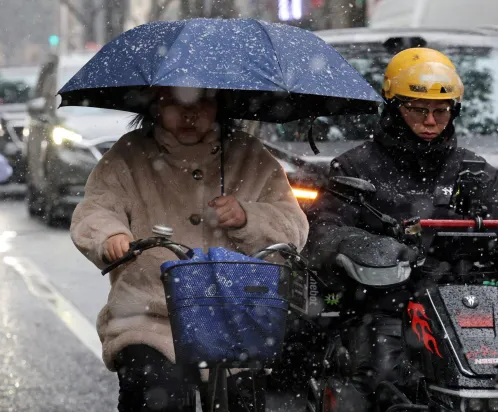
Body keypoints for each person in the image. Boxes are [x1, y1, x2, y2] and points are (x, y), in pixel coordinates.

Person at [70, 86, 309, 412]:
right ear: (155, 105)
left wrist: (247, 216)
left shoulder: (248, 155)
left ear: (220, 106)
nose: (189, 113)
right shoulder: (129, 155)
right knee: (156, 392)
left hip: (235, 314)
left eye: (203, 102)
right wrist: (111, 236)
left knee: (244, 398)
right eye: (175, 102)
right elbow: (97, 208)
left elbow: (293, 224)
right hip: (150, 315)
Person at [304, 48, 498, 411]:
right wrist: (376, 249)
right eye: (417, 109)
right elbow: (322, 232)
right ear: (392, 107)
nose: (430, 120)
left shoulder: (476, 171)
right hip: (385, 306)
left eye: (441, 111)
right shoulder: (355, 167)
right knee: (385, 379)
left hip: (475, 306)